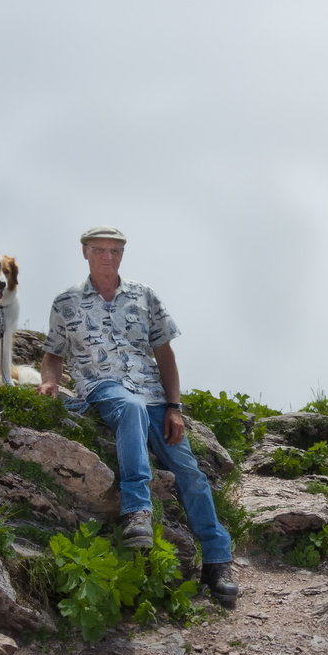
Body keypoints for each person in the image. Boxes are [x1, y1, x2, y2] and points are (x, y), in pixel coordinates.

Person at [38, 226, 238, 606]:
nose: (108, 258)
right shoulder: (65, 302)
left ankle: (217, 560)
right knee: (128, 408)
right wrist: (50, 382)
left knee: (190, 473)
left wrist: (175, 408)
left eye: (115, 251)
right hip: (104, 387)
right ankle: (137, 509)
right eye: (100, 250)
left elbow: (164, 355)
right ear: (85, 252)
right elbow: (53, 353)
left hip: (153, 395)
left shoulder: (144, 296)